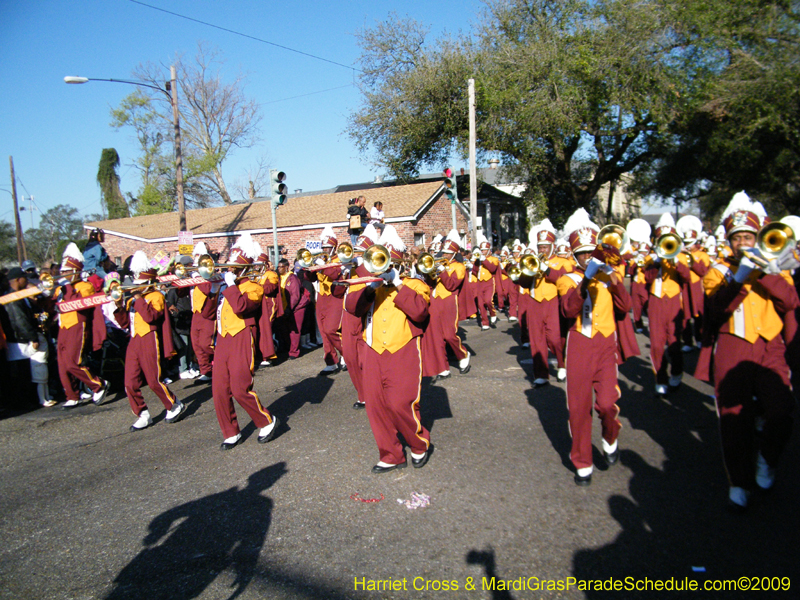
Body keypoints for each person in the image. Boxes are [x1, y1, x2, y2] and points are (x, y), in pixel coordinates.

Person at [695, 192, 799, 511]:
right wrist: (739, 278)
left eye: (748, 237)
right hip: (732, 344)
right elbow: (713, 312)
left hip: (770, 344)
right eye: (737, 238)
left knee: (782, 409)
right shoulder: (717, 271)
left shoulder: (774, 264)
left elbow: (791, 302)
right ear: (730, 241)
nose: (743, 243)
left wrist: (764, 270)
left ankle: (766, 461)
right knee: (733, 417)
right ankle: (739, 480)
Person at [556, 209, 639, 486]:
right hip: (579, 343)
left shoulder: (610, 275)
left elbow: (626, 308)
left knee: (606, 403)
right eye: (582, 254)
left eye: (592, 252)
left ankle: (610, 435)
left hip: (605, 343)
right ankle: (582, 461)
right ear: (575, 255)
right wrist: (585, 283)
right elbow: (568, 310)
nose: (588, 257)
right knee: (579, 408)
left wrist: (612, 281)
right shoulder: (568, 279)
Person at [343, 225, 433, 473]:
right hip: (373, 349)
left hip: (402, 348)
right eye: (382, 262)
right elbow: (352, 307)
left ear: (400, 265)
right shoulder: (367, 284)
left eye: (390, 264)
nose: (384, 268)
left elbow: (420, 311)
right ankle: (391, 453)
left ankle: (418, 443)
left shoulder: (414, 284)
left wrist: (397, 284)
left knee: (400, 403)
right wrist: (370, 289)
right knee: (375, 404)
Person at [213, 234, 279, 450]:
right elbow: (207, 314)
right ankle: (230, 431)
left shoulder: (254, 287)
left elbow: (242, 307)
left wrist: (230, 286)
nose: (229, 270)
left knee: (240, 387)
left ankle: (266, 420)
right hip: (223, 339)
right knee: (219, 390)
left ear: (243, 268)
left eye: (234, 267)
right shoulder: (226, 287)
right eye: (229, 267)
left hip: (242, 336)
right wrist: (211, 291)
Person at [124, 251, 185, 431]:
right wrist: (119, 304)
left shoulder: (156, 297)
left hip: (150, 339)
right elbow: (122, 322)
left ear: (149, 282)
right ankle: (142, 413)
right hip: (134, 340)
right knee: (129, 382)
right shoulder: (136, 299)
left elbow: (151, 317)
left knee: (153, 380)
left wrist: (138, 299)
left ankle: (173, 404)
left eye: (140, 284)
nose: (137, 287)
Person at [518, 219, 572, 385]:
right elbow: (524, 283)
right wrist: (527, 272)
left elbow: (563, 279)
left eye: (545, 247)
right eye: (540, 247)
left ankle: (563, 364)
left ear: (552, 246)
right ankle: (541, 374)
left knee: (555, 338)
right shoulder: (532, 260)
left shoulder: (563, 262)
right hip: (534, 302)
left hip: (552, 302)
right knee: (537, 339)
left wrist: (546, 269)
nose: (542, 250)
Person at [643, 213, 692, 397]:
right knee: (656, 344)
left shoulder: (682, 258)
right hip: (656, 302)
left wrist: (676, 260)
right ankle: (661, 379)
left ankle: (677, 372)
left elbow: (687, 278)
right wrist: (656, 261)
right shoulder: (651, 260)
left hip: (673, 302)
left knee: (674, 342)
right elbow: (647, 279)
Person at [56, 243, 109, 409]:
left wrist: (67, 286)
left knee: (73, 361)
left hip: (78, 326)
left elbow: (78, 304)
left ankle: (98, 384)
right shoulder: (61, 288)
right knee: (62, 364)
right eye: (62, 272)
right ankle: (72, 395)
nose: (62, 275)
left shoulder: (85, 286)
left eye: (66, 272)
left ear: (75, 271)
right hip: (63, 327)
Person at [1, 267, 56, 407]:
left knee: (24, 372)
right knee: (21, 372)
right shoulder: (13, 298)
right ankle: (23, 403)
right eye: (24, 278)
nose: (26, 280)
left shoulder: (17, 295)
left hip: (19, 338)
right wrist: (33, 337)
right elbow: (20, 320)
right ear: (18, 280)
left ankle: (27, 401)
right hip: (19, 340)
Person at [423, 229, 471, 382]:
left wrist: (443, 271)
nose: (444, 255)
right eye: (444, 252)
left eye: (448, 253)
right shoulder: (438, 263)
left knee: (449, 335)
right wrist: (429, 273)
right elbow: (430, 283)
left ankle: (463, 354)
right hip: (435, 300)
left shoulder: (460, 267)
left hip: (449, 301)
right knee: (436, 337)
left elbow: (452, 285)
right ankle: (442, 367)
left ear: (454, 253)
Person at [305, 226, 346, 373]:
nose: (325, 250)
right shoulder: (321, 259)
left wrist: (324, 266)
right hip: (322, 296)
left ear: (334, 247)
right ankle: (331, 361)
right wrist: (308, 267)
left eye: (328, 247)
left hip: (335, 295)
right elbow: (311, 278)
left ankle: (346, 354)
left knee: (331, 329)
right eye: (324, 247)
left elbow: (336, 274)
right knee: (323, 331)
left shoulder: (340, 258)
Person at [165, 256, 197, 380]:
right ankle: (182, 368)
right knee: (183, 345)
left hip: (188, 318)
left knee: (189, 345)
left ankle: (189, 366)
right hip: (180, 320)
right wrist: (175, 312)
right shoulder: (174, 288)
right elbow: (170, 303)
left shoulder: (187, 286)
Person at [277, 257, 309, 359]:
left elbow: (295, 296)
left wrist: (289, 308)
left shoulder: (292, 278)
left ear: (287, 267)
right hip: (285, 306)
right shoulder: (279, 278)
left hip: (296, 307)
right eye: (278, 267)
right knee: (285, 329)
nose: (279, 269)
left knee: (294, 330)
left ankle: (294, 351)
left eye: (281, 267)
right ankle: (289, 348)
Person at [471, 233, 499, 330]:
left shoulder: (494, 259)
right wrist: (475, 263)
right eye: (482, 250)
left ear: (488, 251)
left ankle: (492, 313)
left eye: (484, 250)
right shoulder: (478, 259)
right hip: (479, 282)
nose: (483, 252)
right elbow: (474, 271)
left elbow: (493, 269)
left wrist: (484, 261)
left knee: (488, 300)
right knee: (480, 304)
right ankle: (485, 323)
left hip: (489, 282)